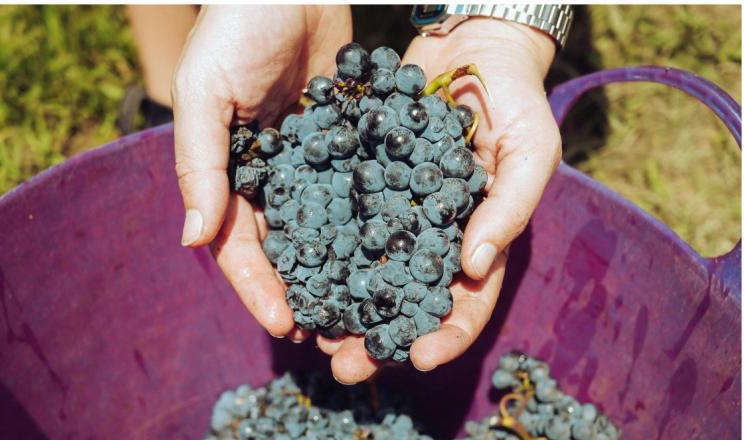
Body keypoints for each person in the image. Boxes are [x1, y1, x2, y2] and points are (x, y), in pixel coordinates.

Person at [142, 5, 564, 384]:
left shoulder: (421, 152)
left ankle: (181, 108)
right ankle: (168, 106)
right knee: (202, 96)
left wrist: (501, 28)